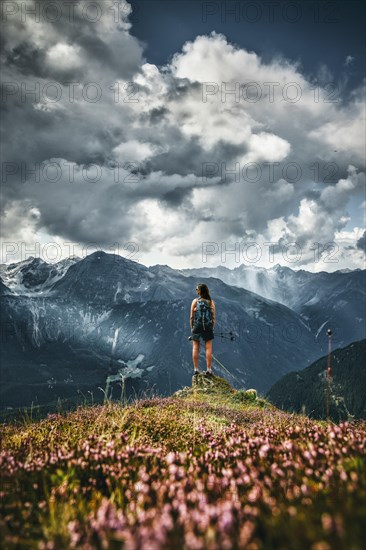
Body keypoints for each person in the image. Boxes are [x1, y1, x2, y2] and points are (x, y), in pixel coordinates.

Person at [190, 283, 216, 376]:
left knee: (195, 347)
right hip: (208, 326)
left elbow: (191, 317)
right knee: (208, 348)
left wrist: (192, 328)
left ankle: (196, 369)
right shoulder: (211, 302)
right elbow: (213, 317)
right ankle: (209, 370)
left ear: (200, 291)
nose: (196, 290)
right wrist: (211, 327)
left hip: (197, 326)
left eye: (196, 289)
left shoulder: (195, 301)